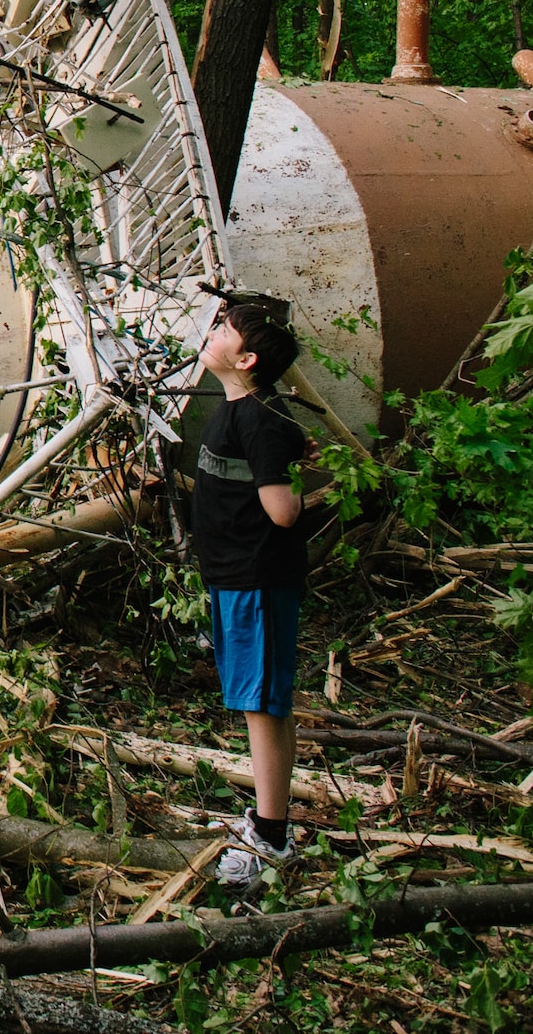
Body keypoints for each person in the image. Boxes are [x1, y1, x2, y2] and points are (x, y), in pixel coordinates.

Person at [190, 299, 313, 893]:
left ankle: (269, 836)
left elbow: (282, 511)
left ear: (247, 357)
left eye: (223, 329)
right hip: (236, 578)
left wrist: (299, 490)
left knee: (260, 705)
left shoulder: (258, 418)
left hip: (256, 581)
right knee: (264, 701)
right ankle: (273, 820)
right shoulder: (243, 406)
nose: (211, 332)